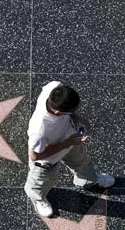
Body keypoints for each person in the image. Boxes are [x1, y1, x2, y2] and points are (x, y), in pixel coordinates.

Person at [24, 81, 114, 217]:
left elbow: (68, 111)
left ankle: (86, 180)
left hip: (70, 141)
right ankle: (37, 198)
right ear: (57, 112)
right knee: (41, 181)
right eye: (72, 111)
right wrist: (67, 143)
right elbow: (35, 156)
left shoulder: (54, 87)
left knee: (82, 162)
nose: (74, 112)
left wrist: (76, 118)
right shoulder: (39, 130)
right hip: (48, 159)